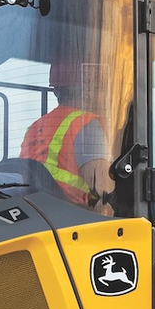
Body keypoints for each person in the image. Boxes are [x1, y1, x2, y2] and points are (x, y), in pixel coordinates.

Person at [20, 57, 113, 209]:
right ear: (87, 89)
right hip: (76, 216)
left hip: (38, 213)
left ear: (56, 90)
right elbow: (103, 188)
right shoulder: (87, 124)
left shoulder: (34, 128)